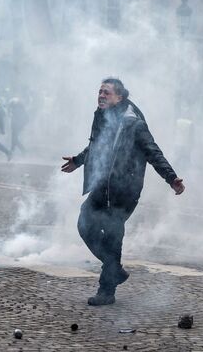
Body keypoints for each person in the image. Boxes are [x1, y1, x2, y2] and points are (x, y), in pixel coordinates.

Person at [62, 78, 185, 306]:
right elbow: (97, 145)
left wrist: (171, 178)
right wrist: (78, 161)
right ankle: (115, 269)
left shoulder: (132, 123)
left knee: (112, 235)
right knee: (84, 223)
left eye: (106, 93)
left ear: (119, 97)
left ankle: (106, 290)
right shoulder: (102, 115)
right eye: (99, 91)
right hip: (103, 184)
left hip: (124, 189)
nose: (101, 95)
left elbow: (153, 151)